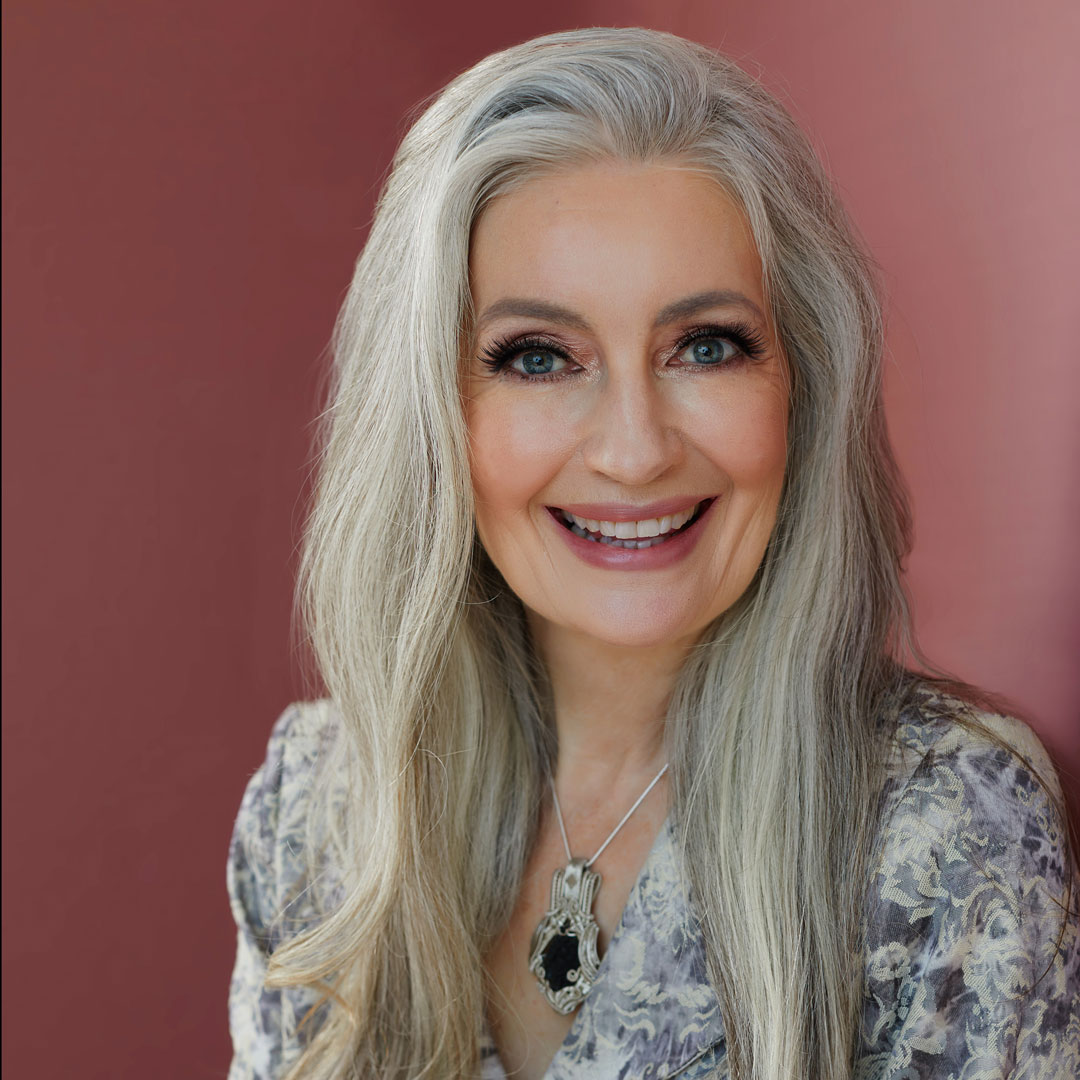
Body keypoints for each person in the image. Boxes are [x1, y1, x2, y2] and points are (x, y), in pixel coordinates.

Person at [226, 27, 1079, 1080]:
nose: (634, 451)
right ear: (432, 417)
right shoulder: (316, 818)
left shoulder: (949, 834)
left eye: (706, 346)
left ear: (802, 388)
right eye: (537, 357)